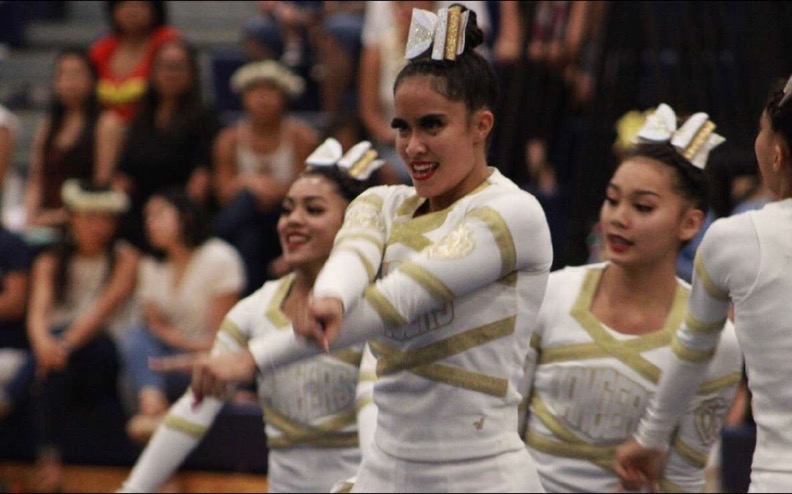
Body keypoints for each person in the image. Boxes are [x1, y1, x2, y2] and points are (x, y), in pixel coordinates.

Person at [157, 5, 553, 492]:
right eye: (402, 127)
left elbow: (402, 300)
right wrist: (332, 296)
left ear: (480, 125)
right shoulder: (381, 202)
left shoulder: (514, 214)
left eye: (432, 126)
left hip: (479, 477)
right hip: (386, 474)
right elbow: (353, 257)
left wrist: (251, 360)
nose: (411, 146)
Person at [121, 138, 382, 493]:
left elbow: (374, 410)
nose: (293, 221)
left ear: (353, 225)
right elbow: (193, 411)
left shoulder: (378, 306)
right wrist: (132, 489)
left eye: (314, 210)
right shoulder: (253, 310)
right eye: (288, 209)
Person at [520, 104, 743, 492]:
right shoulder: (552, 294)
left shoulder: (716, 342)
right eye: (612, 199)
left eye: (643, 207)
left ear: (690, 222)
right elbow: (500, 436)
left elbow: (686, 478)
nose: (618, 218)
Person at [613, 75, 792, 492]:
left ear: (777, 154)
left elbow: (694, 348)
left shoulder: (736, 239)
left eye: (761, 133)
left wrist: (651, 439)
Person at [21, 180, 139, 492]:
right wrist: (45, 345)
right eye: (90, 217)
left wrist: (61, 344)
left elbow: (101, 312)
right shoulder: (49, 259)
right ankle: (49, 466)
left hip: (103, 353)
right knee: (53, 371)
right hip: (58, 356)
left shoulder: (125, 257)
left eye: (106, 218)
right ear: (72, 218)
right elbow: (37, 313)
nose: (99, 226)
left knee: (71, 351)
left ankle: (5, 397)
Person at [121, 188, 244, 443]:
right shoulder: (150, 265)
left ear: (185, 217)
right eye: (147, 217)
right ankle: (152, 405)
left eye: (158, 215)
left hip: (211, 359)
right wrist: (168, 339)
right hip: (165, 361)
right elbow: (151, 328)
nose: (150, 223)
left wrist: (173, 339)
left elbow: (223, 339)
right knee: (133, 339)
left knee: (139, 372)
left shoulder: (220, 258)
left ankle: (152, 411)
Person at [213, 59, 319, 294]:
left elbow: (312, 191)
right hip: (246, 224)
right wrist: (249, 183)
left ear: (285, 97)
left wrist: (268, 189)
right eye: (254, 91)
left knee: (249, 204)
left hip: (287, 215)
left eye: (270, 90)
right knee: (248, 226)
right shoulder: (228, 140)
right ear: (243, 98)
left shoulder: (302, 137)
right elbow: (223, 195)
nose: (262, 98)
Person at [113, 39, 221, 250]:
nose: (171, 73)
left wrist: (171, 216)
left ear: (192, 73)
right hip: (139, 211)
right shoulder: (141, 117)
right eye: (164, 66)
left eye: (179, 67)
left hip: (182, 213)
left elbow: (201, 180)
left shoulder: (205, 118)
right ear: (152, 72)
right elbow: (123, 174)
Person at [24, 48, 124, 229]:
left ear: (93, 79)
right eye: (63, 74)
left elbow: (101, 184)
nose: (69, 81)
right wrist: (31, 216)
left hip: (87, 221)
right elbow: (36, 179)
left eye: (76, 74)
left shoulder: (106, 123)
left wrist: (60, 217)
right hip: (43, 219)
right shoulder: (49, 126)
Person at [89, 0, 181, 122]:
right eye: (125, 4)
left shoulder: (167, 44)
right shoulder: (101, 49)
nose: (132, 11)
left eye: (140, 4)